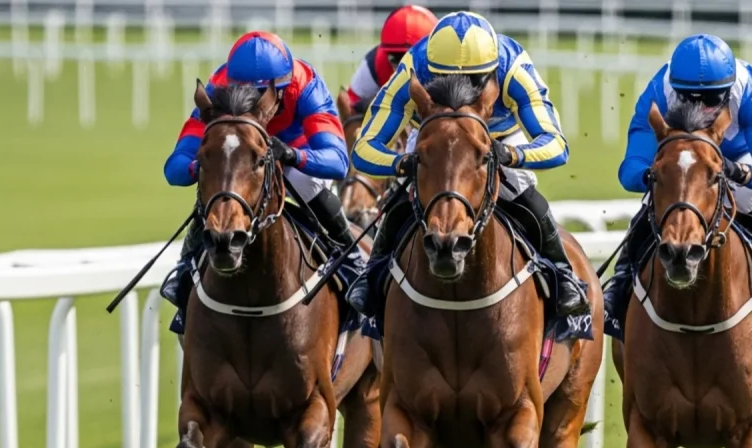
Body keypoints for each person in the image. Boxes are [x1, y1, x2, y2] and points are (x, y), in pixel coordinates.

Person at [346, 11, 589, 319]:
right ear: (431, 69)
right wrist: (403, 163)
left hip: (498, 136)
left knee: (521, 192)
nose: (460, 89)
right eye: (445, 80)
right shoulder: (414, 65)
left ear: (491, 72)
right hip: (435, 135)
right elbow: (364, 149)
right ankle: (371, 277)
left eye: (473, 81)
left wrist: (512, 155)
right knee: (403, 197)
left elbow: (556, 145)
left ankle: (564, 275)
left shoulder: (512, 67)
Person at [605, 33, 752, 326]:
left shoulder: (749, 90)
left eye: (712, 100)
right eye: (690, 100)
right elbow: (631, 167)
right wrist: (655, 177)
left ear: (728, 89)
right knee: (652, 207)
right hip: (680, 159)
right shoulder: (659, 89)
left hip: (734, 158)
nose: (703, 109)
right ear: (676, 90)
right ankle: (618, 286)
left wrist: (739, 172)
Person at [161, 31, 354, 327]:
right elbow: (174, 168)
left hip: (294, 154)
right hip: (241, 159)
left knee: (306, 183)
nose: (249, 105)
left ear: (280, 89)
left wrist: (292, 155)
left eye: (257, 97)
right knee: (218, 187)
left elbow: (337, 161)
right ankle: (186, 270)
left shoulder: (306, 86)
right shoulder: (217, 90)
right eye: (242, 95)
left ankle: (353, 265)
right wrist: (199, 167)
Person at [346, 5, 439, 108]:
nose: (404, 67)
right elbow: (350, 107)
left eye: (413, 59)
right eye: (396, 58)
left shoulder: (449, 65)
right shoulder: (374, 64)